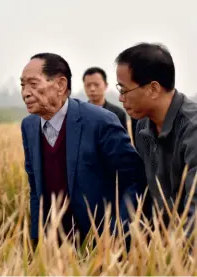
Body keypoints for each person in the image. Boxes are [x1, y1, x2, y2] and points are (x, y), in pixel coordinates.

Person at [20, 53, 147, 246]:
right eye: (23, 85)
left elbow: (134, 179)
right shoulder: (28, 126)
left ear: (60, 85)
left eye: (33, 84)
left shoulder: (100, 121)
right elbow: (35, 188)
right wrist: (36, 238)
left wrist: (118, 231)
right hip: (54, 244)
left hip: (100, 241)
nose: (26, 93)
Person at [116, 42, 197, 230]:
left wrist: (173, 256)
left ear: (153, 89)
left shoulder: (192, 129)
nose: (121, 98)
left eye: (124, 90)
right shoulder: (143, 126)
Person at [83, 67, 128, 131]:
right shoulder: (78, 114)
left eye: (96, 84)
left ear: (106, 85)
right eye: (88, 85)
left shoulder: (117, 113)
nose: (92, 89)